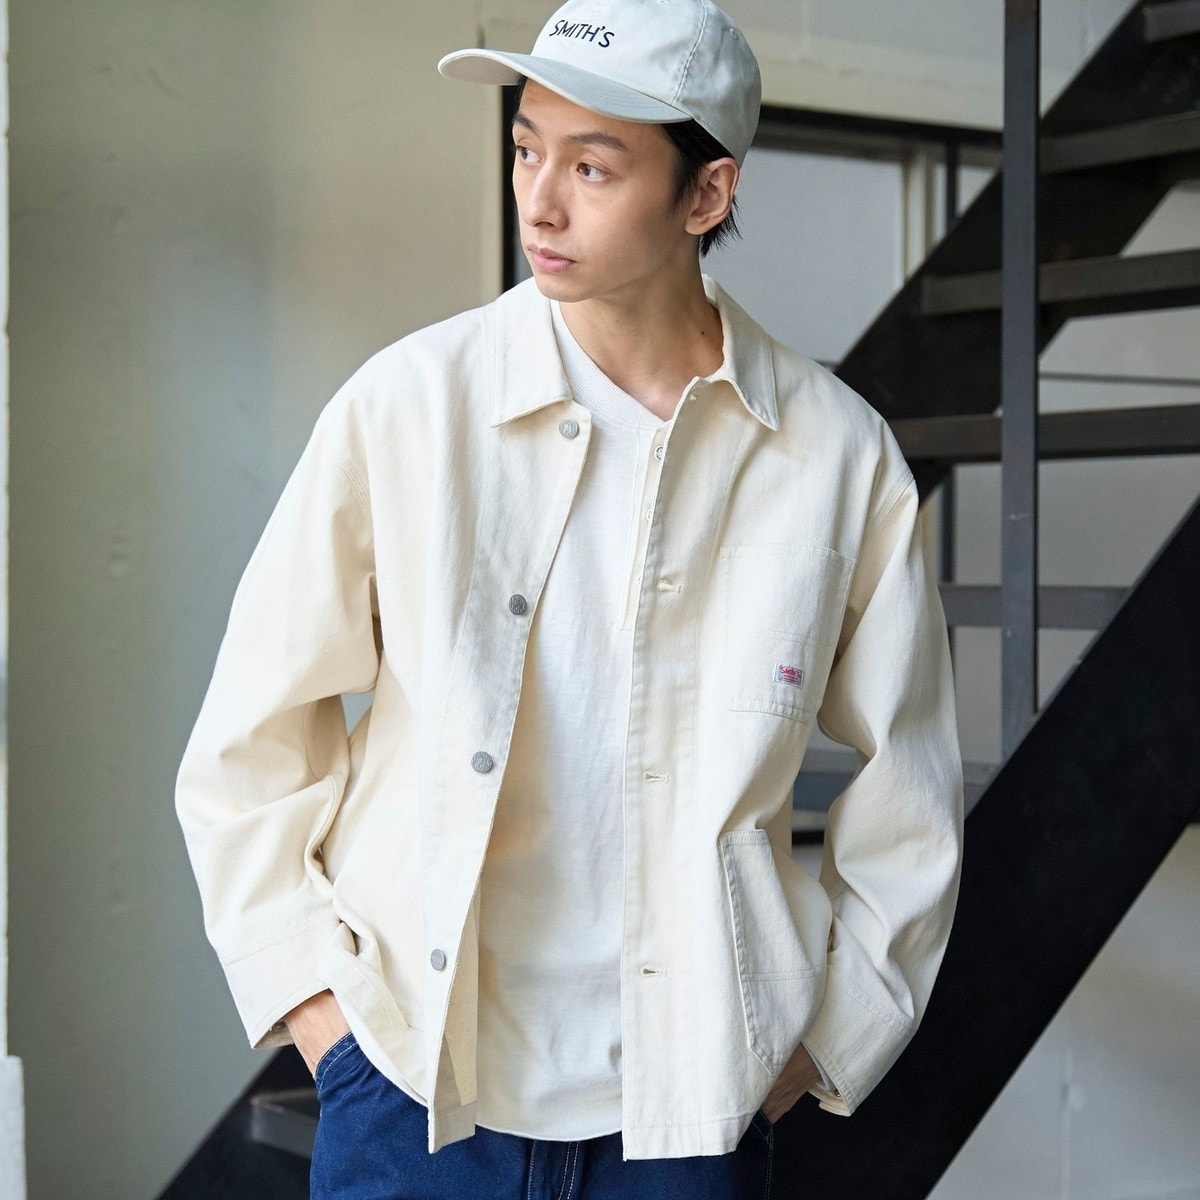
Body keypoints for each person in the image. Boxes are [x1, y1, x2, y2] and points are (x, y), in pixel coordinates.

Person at [175, 0, 964, 1196]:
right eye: (526, 148)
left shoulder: (833, 456)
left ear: (706, 194)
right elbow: (250, 740)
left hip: (687, 1117)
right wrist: (325, 1021)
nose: (540, 202)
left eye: (592, 167)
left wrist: (814, 1045)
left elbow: (911, 793)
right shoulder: (410, 407)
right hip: (416, 1096)